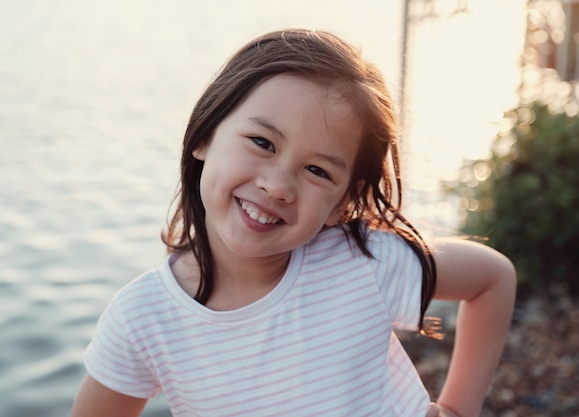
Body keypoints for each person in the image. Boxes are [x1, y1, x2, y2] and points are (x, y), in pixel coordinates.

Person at [70, 29, 516, 417]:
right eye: (262, 142)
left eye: (318, 171)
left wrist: (458, 407)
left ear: (343, 202)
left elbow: (492, 278)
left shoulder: (363, 262)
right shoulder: (144, 320)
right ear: (205, 134)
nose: (279, 185)